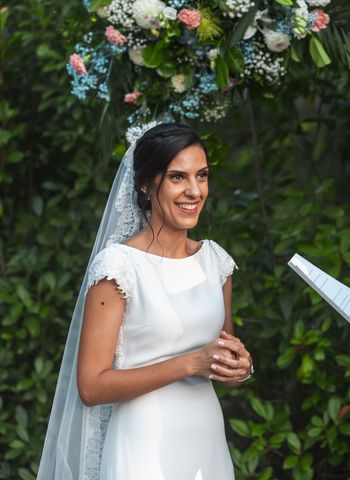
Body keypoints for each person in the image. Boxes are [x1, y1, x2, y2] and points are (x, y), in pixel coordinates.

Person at [37, 122, 253, 480]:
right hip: (143, 446)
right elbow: (91, 387)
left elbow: (220, 360)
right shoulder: (119, 266)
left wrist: (240, 368)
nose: (195, 190)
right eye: (178, 178)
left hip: (206, 442)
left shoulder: (215, 261)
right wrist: (188, 364)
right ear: (145, 184)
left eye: (202, 175)